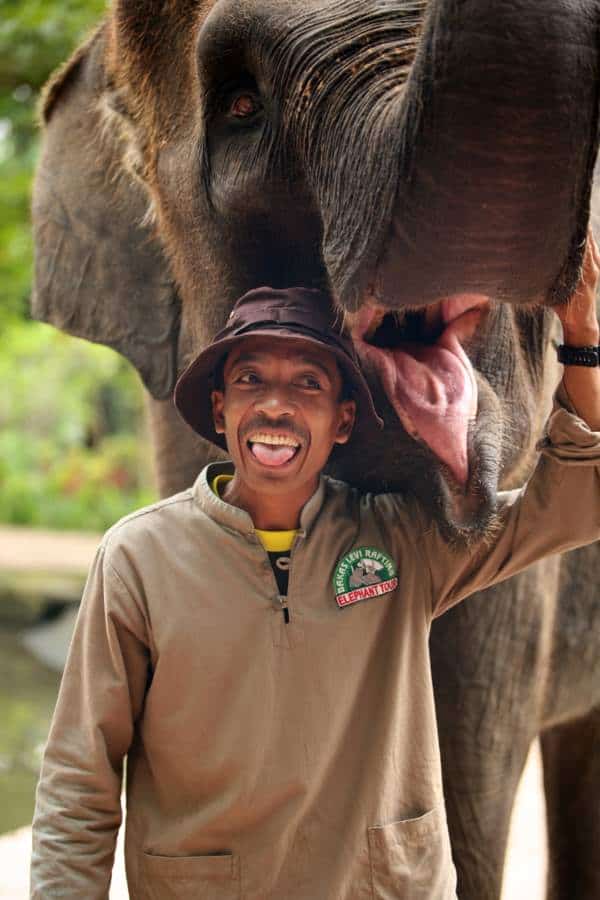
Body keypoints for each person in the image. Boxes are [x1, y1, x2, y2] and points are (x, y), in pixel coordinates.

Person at [30, 237, 600, 899]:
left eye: (307, 384)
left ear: (343, 420)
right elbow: (79, 781)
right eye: (251, 380)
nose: (276, 405)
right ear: (219, 409)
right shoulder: (138, 560)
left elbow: (579, 500)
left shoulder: (402, 544)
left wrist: (583, 340)